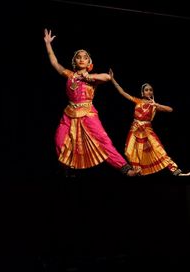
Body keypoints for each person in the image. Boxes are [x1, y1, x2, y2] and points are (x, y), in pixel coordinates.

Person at [44, 28, 140, 176]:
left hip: (88, 113)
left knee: (103, 140)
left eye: (85, 57)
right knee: (59, 140)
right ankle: (67, 169)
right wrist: (48, 44)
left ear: (89, 62)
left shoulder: (93, 78)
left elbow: (107, 77)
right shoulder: (69, 74)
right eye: (78, 57)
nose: (82, 59)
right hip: (69, 114)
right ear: (74, 61)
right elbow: (55, 62)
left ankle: (126, 169)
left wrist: (88, 77)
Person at [109, 69, 190, 176]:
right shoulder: (137, 101)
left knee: (159, 149)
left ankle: (175, 171)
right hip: (135, 129)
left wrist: (156, 105)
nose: (149, 91)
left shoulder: (154, 105)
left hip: (147, 130)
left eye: (151, 90)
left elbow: (170, 109)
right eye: (146, 90)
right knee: (128, 151)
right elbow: (122, 92)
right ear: (142, 92)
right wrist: (112, 79)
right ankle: (137, 171)